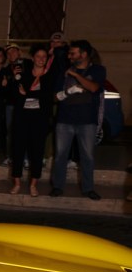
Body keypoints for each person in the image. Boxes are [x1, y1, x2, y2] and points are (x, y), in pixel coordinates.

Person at [49, 39, 105, 200]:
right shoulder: (63, 72)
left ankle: (88, 189)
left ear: (84, 54)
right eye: (69, 53)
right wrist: (67, 92)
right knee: (60, 155)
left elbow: (93, 87)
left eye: (72, 53)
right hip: (65, 120)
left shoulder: (98, 70)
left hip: (87, 121)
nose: (69, 56)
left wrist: (74, 74)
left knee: (87, 156)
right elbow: (55, 97)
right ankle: (57, 186)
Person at [8, 44, 54, 197]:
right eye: (38, 56)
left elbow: (47, 99)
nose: (41, 59)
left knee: (37, 152)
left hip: (39, 120)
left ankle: (34, 185)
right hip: (22, 118)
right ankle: (17, 183)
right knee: (18, 150)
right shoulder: (24, 74)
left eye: (44, 57)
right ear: (33, 58)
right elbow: (14, 96)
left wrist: (26, 94)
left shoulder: (49, 77)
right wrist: (15, 80)